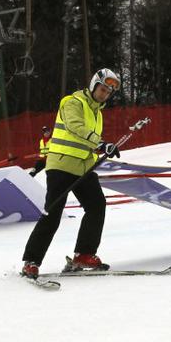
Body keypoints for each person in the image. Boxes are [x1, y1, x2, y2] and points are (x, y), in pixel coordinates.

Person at [21, 68, 123, 279]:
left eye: (108, 92)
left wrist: (103, 148)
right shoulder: (73, 102)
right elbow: (75, 127)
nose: (104, 94)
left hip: (83, 168)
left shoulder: (98, 113)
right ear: (94, 85)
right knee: (53, 214)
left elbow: (87, 142)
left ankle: (84, 254)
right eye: (102, 89)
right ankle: (31, 261)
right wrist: (101, 143)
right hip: (61, 166)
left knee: (96, 206)